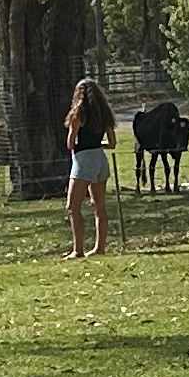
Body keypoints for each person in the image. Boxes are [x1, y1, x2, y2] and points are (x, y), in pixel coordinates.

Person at [65, 74, 115, 257]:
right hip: (100, 160)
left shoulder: (78, 113)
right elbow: (112, 143)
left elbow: (70, 143)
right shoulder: (104, 114)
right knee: (99, 207)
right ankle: (99, 247)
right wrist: (96, 144)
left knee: (73, 206)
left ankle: (78, 250)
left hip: (83, 161)